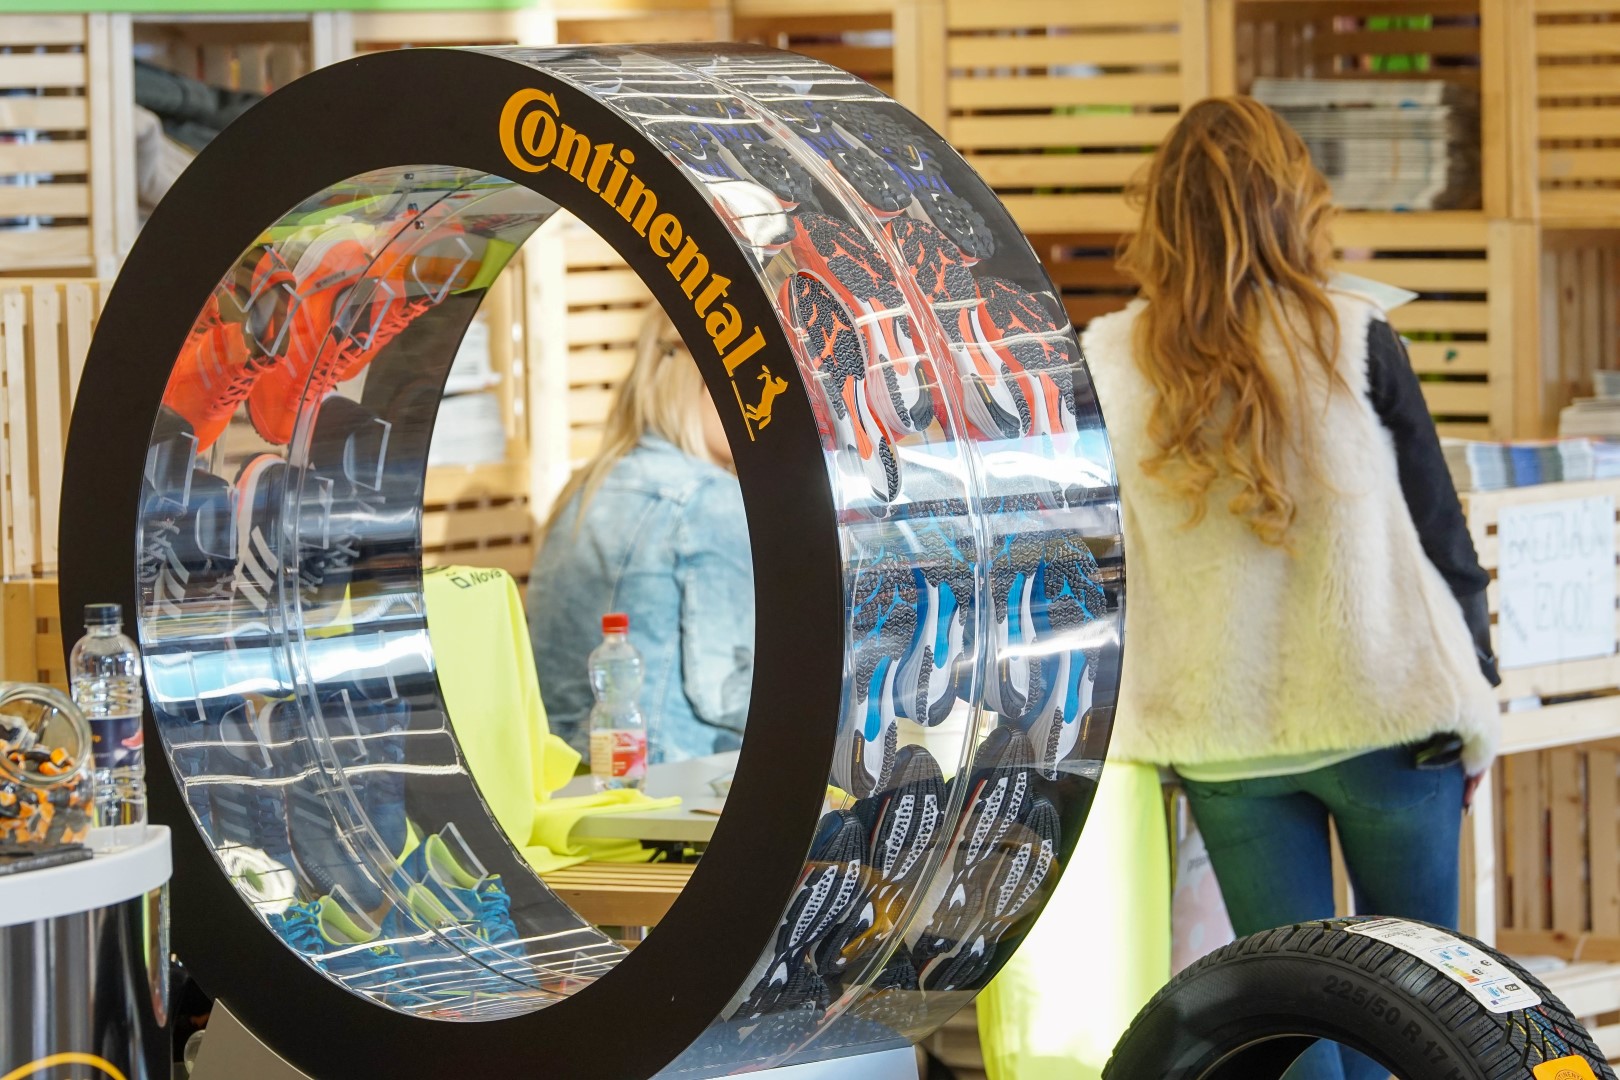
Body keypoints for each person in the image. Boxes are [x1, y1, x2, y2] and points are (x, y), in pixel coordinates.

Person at [1080, 97, 1501, 1080]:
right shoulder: (1352, 334)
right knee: (1423, 1017)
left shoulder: (1108, 359)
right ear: (1293, 202)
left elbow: (1108, 560)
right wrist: (1478, 701)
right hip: (1390, 715)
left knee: (1293, 1019)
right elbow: (1443, 539)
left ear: (1161, 216)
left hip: (1228, 739)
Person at [527, 310, 754, 765]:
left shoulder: (586, 487)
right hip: (669, 781)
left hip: (569, 776)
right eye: (745, 382)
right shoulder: (708, 498)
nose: (761, 404)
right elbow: (727, 693)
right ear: (696, 382)